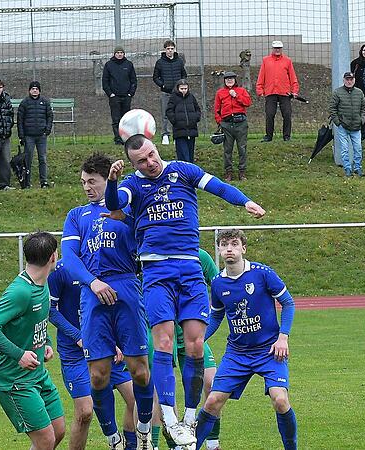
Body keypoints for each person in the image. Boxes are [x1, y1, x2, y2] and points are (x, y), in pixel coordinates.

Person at [105, 135, 266, 447]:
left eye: (151, 156)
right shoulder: (133, 184)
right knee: (163, 341)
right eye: (141, 161)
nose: (149, 163)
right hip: (156, 271)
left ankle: (189, 419)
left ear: (156, 149)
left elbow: (217, 186)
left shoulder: (184, 170)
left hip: (190, 269)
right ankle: (168, 415)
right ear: (134, 164)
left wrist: (244, 200)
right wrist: (112, 183)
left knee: (194, 347)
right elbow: (116, 203)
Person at [61, 152, 154, 449]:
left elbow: (146, 238)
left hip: (126, 285)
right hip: (93, 292)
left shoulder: (127, 208)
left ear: (105, 180)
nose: (87, 187)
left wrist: (125, 213)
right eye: (83, 182)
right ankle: (113, 438)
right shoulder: (77, 216)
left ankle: (143, 430)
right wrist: (92, 282)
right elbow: (69, 258)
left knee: (139, 369)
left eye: (92, 181)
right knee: (98, 376)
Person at [193, 229, 297, 450]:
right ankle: (193, 447)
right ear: (219, 250)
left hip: (269, 351)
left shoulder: (262, 273)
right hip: (237, 353)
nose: (229, 248)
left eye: (234, 244)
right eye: (224, 244)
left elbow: (288, 303)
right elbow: (217, 314)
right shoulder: (219, 283)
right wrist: (200, 339)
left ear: (243, 248)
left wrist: (283, 337)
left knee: (280, 400)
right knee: (212, 401)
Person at [0, 231, 66, 450]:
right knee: (45, 440)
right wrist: (19, 355)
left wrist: (45, 341)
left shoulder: (43, 283)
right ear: (53, 256)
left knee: (58, 431)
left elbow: (38, 319)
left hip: (38, 375)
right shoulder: (20, 291)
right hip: (13, 380)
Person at [47, 260, 138, 450]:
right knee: (85, 412)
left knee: (135, 398)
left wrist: (117, 341)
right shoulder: (62, 270)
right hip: (74, 352)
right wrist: (78, 336)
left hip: (106, 346)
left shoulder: (108, 264)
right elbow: (51, 311)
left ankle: (125, 446)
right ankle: (114, 440)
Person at [149, 248, 222, 450]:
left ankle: (212, 442)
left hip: (191, 335)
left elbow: (219, 288)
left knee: (212, 382)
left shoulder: (200, 256)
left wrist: (203, 334)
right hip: (164, 336)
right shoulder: (156, 256)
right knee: (160, 394)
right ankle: (159, 444)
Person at [256, 40, 299, 142]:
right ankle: (268, 136)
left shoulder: (287, 61)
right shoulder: (266, 60)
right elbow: (261, 76)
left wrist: (295, 90)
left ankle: (287, 136)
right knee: (270, 114)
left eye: (279, 48)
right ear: (272, 49)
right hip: (270, 91)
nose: (277, 50)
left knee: (287, 114)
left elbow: (293, 77)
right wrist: (259, 89)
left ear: (281, 49)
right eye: (275, 48)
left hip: (285, 92)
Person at [214, 71, 252, 181]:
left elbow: (248, 102)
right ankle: (228, 172)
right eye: (227, 79)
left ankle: (242, 172)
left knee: (242, 148)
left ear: (235, 80)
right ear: (224, 81)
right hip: (226, 124)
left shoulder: (241, 91)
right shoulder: (220, 93)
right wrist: (219, 122)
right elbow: (216, 110)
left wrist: (236, 96)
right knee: (227, 149)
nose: (229, 80)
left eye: (231, 78)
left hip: (241, 123)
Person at [329, 72, 365, 177]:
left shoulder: (359, 93)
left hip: (356, 126)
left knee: (358, 148)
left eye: (351, 79)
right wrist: (338, 122)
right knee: (344, 149)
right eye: (347, 79)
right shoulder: (337, 92)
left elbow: (364, 108)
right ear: (344, 80)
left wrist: (361, 119)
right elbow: (332, 109)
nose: (349, 81)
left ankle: (358, 168)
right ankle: (347, 169)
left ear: (354, 80)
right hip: (343, 126)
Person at [18, 81, 54, 189]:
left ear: (39, 91)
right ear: (29, 90)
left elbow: (50, 116)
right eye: (33, 88)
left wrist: (47, 130)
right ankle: (27, 183)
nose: (35, 90)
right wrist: (21, 135)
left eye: (37, 89)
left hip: (41, 136)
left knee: (42, 158)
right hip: (29, 136)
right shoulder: (24, 103)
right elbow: (20, 120)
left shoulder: (45, 102)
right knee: (28, 159)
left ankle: (43, 181)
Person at [153, 40, 187, 146]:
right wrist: (163, 85)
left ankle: (177, 136)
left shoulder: (179, 61)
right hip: (166, 93)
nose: (170, 51)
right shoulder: (160, 62)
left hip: (178, 94)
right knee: (166, 114)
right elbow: (155, 77)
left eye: (172, 49)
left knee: (178, 114)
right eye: (168, 49)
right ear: (165, 50)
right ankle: (165, 135)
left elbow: (184, 75)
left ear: (174, 49)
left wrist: (181, 86)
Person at [102, 46, 137, 145]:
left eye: (121, 52)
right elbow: (105, 81)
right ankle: (118, 139)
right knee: (116, 118)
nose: (119, 54)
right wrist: (110, 94)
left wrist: (131, 93)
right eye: (117, 52)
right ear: (114, 54)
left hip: (126, 96)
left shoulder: (129, 64)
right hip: (114, 97)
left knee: (126, 119)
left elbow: (133, 80)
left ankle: (126, 138)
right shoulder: (109, 65)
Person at [166, 79, 201, 163]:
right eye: (182, 89)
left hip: (191, 130)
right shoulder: (173, 98)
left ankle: (191, 173)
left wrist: (195, 118)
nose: (184, 91)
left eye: (185, 88)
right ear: (178, 88)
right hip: (179, 131)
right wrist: (175, 121)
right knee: (183, 156)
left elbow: (197, 109)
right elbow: (169, 111)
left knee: (190, 155)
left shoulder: (191, 97)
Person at [350, 44, 365, 141]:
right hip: (359, 94)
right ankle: (362, 136)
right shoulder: (355, 63)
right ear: (361, 51)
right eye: (364, 50)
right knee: (361, 115)